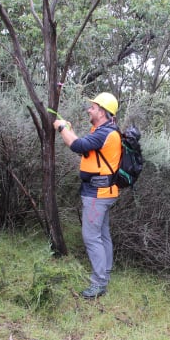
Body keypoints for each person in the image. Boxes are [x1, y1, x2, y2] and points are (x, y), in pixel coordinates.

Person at [53, 92, 122, 299]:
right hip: (105, 191)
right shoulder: (105, 130)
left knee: (91, 237)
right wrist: (69, 130)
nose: (89, 110)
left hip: (98, 194)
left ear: (102, 111)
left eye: (92, 107)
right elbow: (86, 148)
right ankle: (105, 275)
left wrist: (62, 127)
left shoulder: (104, 133)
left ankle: (99, 283)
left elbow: (77, 146)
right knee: (102, 235)